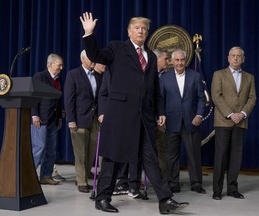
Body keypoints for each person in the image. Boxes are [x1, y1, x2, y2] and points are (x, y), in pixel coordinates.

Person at [80, 12, 188, 214]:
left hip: (144, 118)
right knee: (113, 157)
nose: (140, 31)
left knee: (150, 158)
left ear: (147, 33)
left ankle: (165, 200)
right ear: (129, 31)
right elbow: (97, 56)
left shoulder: (151, 56)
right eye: (137, 28)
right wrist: (88, 34)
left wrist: (160, 111)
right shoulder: (117, 48)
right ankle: (102, 198)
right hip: (120, 114)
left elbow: (154, 89)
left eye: (144, 29)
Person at [211, 46, 257, 200]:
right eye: (233, 56)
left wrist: (242, 114)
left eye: (239, 56)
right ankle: (217, 191)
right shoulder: (218, 74)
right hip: (224, 121)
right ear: (228, 58)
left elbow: (252, 98)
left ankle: (232, 189)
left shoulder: (249, 77)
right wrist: (231, 115)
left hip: (241, 122)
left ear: (243, 59)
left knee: (236, 157)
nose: (236, 58)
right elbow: (216, 96)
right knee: (221, 156)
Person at [159, 49, 206, 194]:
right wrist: (161, 116)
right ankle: (173, 183)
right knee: (171, 156)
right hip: (171, 122)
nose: (180, 63)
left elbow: (201, 98)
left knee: (194, 154)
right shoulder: (164, 78)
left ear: (186, 61)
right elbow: (160, 100)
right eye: (177, 60)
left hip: (191, 122)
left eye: (182, 60)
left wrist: (199, 115)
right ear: (172, 61)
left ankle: (196, 183)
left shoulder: (195, 76)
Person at [98, 71, 143, 199]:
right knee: (114, 155)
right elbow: (103, 93)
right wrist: (102, 112)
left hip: (132, 118)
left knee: (134, 152)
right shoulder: (109, 73)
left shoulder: (136, 72)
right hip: (113, 119)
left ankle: (134, 186)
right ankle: (119, 184)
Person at [64, 50, 103, 193]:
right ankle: (81, 181)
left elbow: (100, 98)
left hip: (94, 120)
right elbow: (69, 100)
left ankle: (83, 175)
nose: (93, 60)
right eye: (90, 58)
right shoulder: (73, 74)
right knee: (80, 153)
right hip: (78, 120)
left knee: (91, 153)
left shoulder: (98, 76)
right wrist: (71, 119)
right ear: (83, 60)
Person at [31, 53, 64, 185]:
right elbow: (33, 96)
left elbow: (58, 101)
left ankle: (45, 176)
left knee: (51, 149)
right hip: (41, 119)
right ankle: (29, 176)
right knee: (39, 147)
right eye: (59, 65)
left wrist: (60, 118)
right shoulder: (40, 76)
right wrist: (35, 115)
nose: (62, 67)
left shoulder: (57, 80)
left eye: (62, 65)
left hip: (53, 120)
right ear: (50, 65)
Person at [153, 48, 169, 179]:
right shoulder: (146, 74)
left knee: (162, 151)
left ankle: (164, 180)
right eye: (166, 59)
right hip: (147, 119)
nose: (168, 62)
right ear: (157, 59)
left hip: (162, 120)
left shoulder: (168, 76)